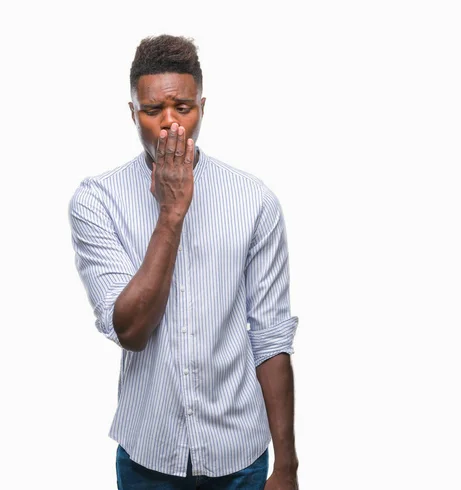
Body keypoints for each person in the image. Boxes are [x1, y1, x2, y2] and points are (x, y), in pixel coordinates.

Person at [68, 34, 300, 490]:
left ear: (202, 107)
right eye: (153, 111)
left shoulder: (254, 201)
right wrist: (171, 213)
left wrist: (287, 466)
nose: (170, 124)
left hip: (240, 454)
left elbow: (270, 338)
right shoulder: (97, 201)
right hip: (149, 455)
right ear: (133, 113)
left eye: (183, 108)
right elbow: (131, 331)